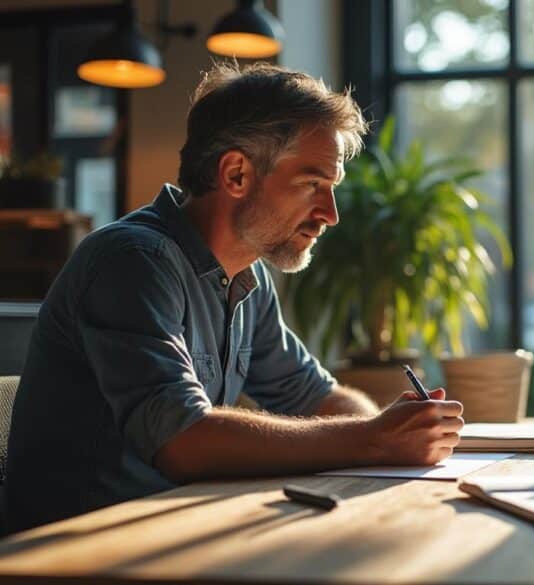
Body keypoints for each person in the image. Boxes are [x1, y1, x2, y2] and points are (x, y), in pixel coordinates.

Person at [6, 63, 464, 532]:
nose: (330, 214)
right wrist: (372, 440)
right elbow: (183, 441)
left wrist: (389, 433)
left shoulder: (248, 276)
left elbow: (319, 396)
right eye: (312, 184)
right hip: (68, 553)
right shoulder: (132, 262)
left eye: (332, 188)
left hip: (169, 534)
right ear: (237, 174)